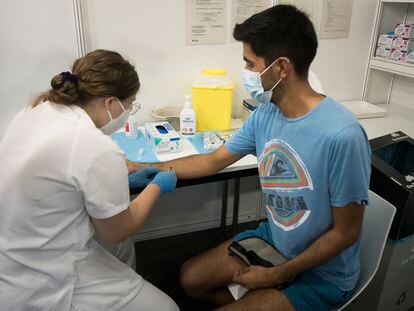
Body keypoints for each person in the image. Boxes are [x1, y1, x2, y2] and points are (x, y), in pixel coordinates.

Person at [131, 5, 371, 311]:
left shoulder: (342, 135)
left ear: (282, 67)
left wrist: (277, 275)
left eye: (250, 63)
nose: (245, 73)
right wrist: (146, 167)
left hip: (322, 274)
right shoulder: (266, 114)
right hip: (276, 240)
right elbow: (212, 160)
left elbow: (346, 232)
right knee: (190, 280)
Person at [0, 49, 178, 311]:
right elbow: (117, 231)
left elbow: (60, 180)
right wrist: (156, 186)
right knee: (167, 308)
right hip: (47, 276)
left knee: (121, 252)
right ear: (110, 103)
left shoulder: (37, 110)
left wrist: (120, 184)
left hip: (15, 243)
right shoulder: (95, 147)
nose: (128, 111)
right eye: (129, 105)